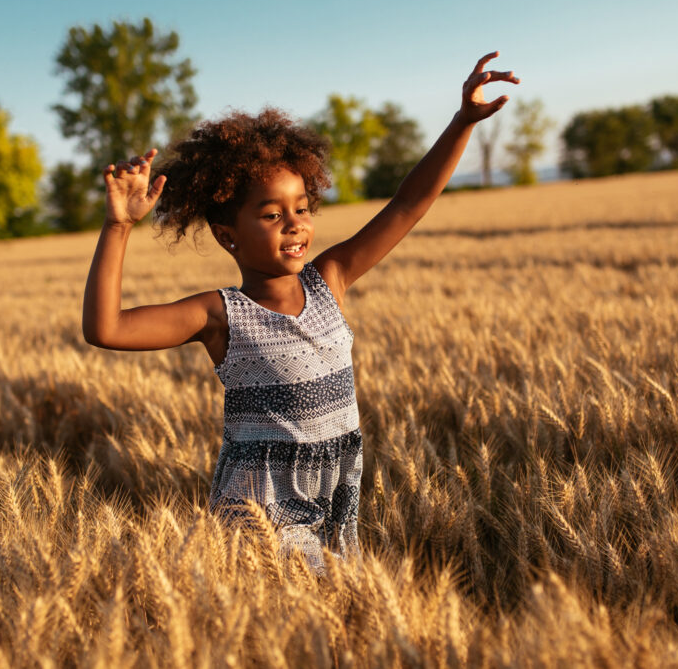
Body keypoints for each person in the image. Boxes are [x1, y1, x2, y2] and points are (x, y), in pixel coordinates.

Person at [82, 52, 519, 569]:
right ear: (228, 236)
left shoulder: (329, 278)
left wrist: (461, 122)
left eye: (302, 208)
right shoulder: (222, 315)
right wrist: (118, 227)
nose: (294, 224)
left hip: (336, 486)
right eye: (271, 214)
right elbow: (105, 329)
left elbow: (407, 205)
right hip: (262, 507)